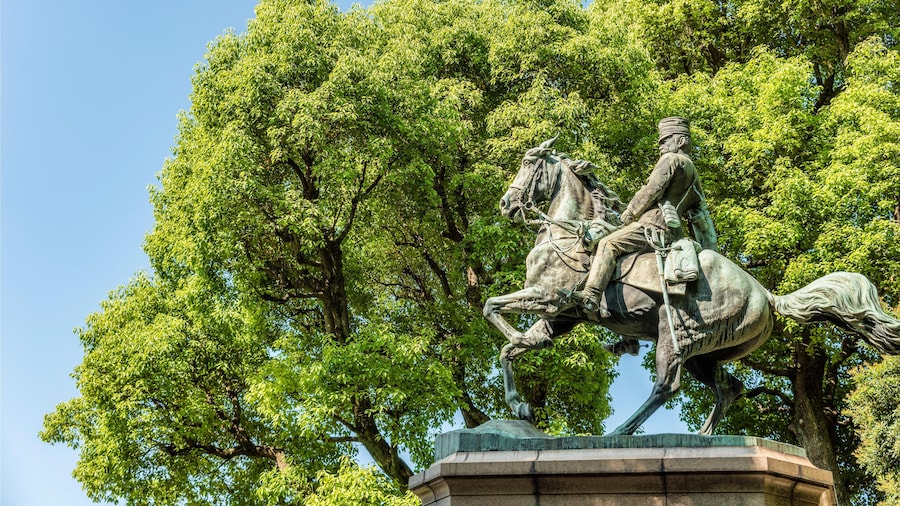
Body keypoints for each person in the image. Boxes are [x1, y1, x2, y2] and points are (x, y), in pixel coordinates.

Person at [575, 117, 717, 317]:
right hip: (673, 238)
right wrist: (711, 251)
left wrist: (629, 213)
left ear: (681, 141)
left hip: (650, 228)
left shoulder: (671, 160)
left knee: (607, 244)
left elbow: (652, 189)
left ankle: (591, 295)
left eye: (665, 140)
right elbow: (703, 219)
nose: (661, 146)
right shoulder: (695, 179)